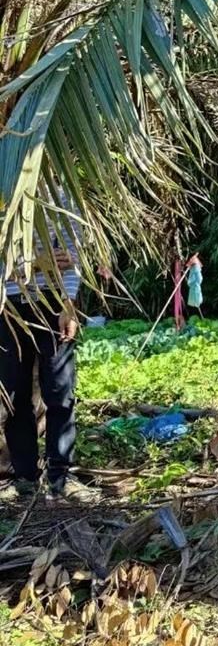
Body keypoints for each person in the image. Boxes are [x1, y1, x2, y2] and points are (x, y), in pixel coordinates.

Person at [0, 208, 94, 503]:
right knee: (14, 393)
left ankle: (61, 475)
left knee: (60, 388)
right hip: (8, 303)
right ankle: (25, 476)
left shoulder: (61, 191)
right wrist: (35, 265)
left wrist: (69, 305)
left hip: (53, 301)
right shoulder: (6, 185)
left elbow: (70, 258)